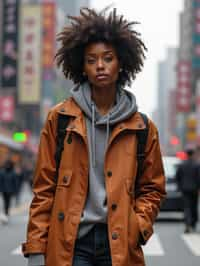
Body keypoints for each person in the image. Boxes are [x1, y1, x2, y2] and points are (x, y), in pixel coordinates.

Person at [22, 7, 166, 266]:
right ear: (82, 67)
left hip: (119, 242)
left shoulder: (142, 127)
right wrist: (36, 248)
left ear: (121, 62)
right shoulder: (61, 119)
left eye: (108, 58)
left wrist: (138, 224)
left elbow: (153, 188)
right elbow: (44, 189)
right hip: (72, 242)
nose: (100, 65)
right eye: (91, 60)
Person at [176, 149, 199, 233]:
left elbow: (177, 177)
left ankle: (187, 224)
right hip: (194, 189)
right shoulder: (197, 164)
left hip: (184, 189)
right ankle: (193, 224)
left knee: (187, 207)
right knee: (194, 207)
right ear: (193, 154)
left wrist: (179, 187)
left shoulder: (181, 164)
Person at [0, 160, 18, 224]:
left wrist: (15, 191)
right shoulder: (2, 172)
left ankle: (6, 213)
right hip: (4, 191)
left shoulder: (13, 173)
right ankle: (5, 213)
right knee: (5, 202)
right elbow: (1, 182)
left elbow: (15, 182)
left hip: (10, 191)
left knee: (8, 203)